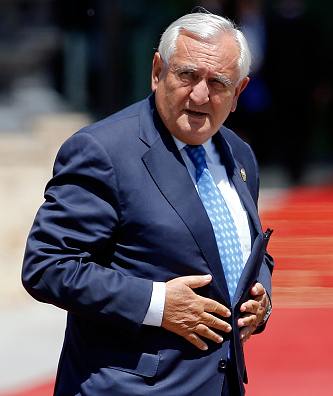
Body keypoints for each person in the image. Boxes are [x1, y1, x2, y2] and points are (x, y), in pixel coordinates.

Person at [22, 11, 274, 396]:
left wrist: (261, 299)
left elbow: (251, 251)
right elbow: (48, 266)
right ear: (158, 72)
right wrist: (157, 304)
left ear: (238, 93)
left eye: (218, 83)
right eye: (187, 75)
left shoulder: (240, 156)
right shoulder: (103, 151)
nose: (200, 95)